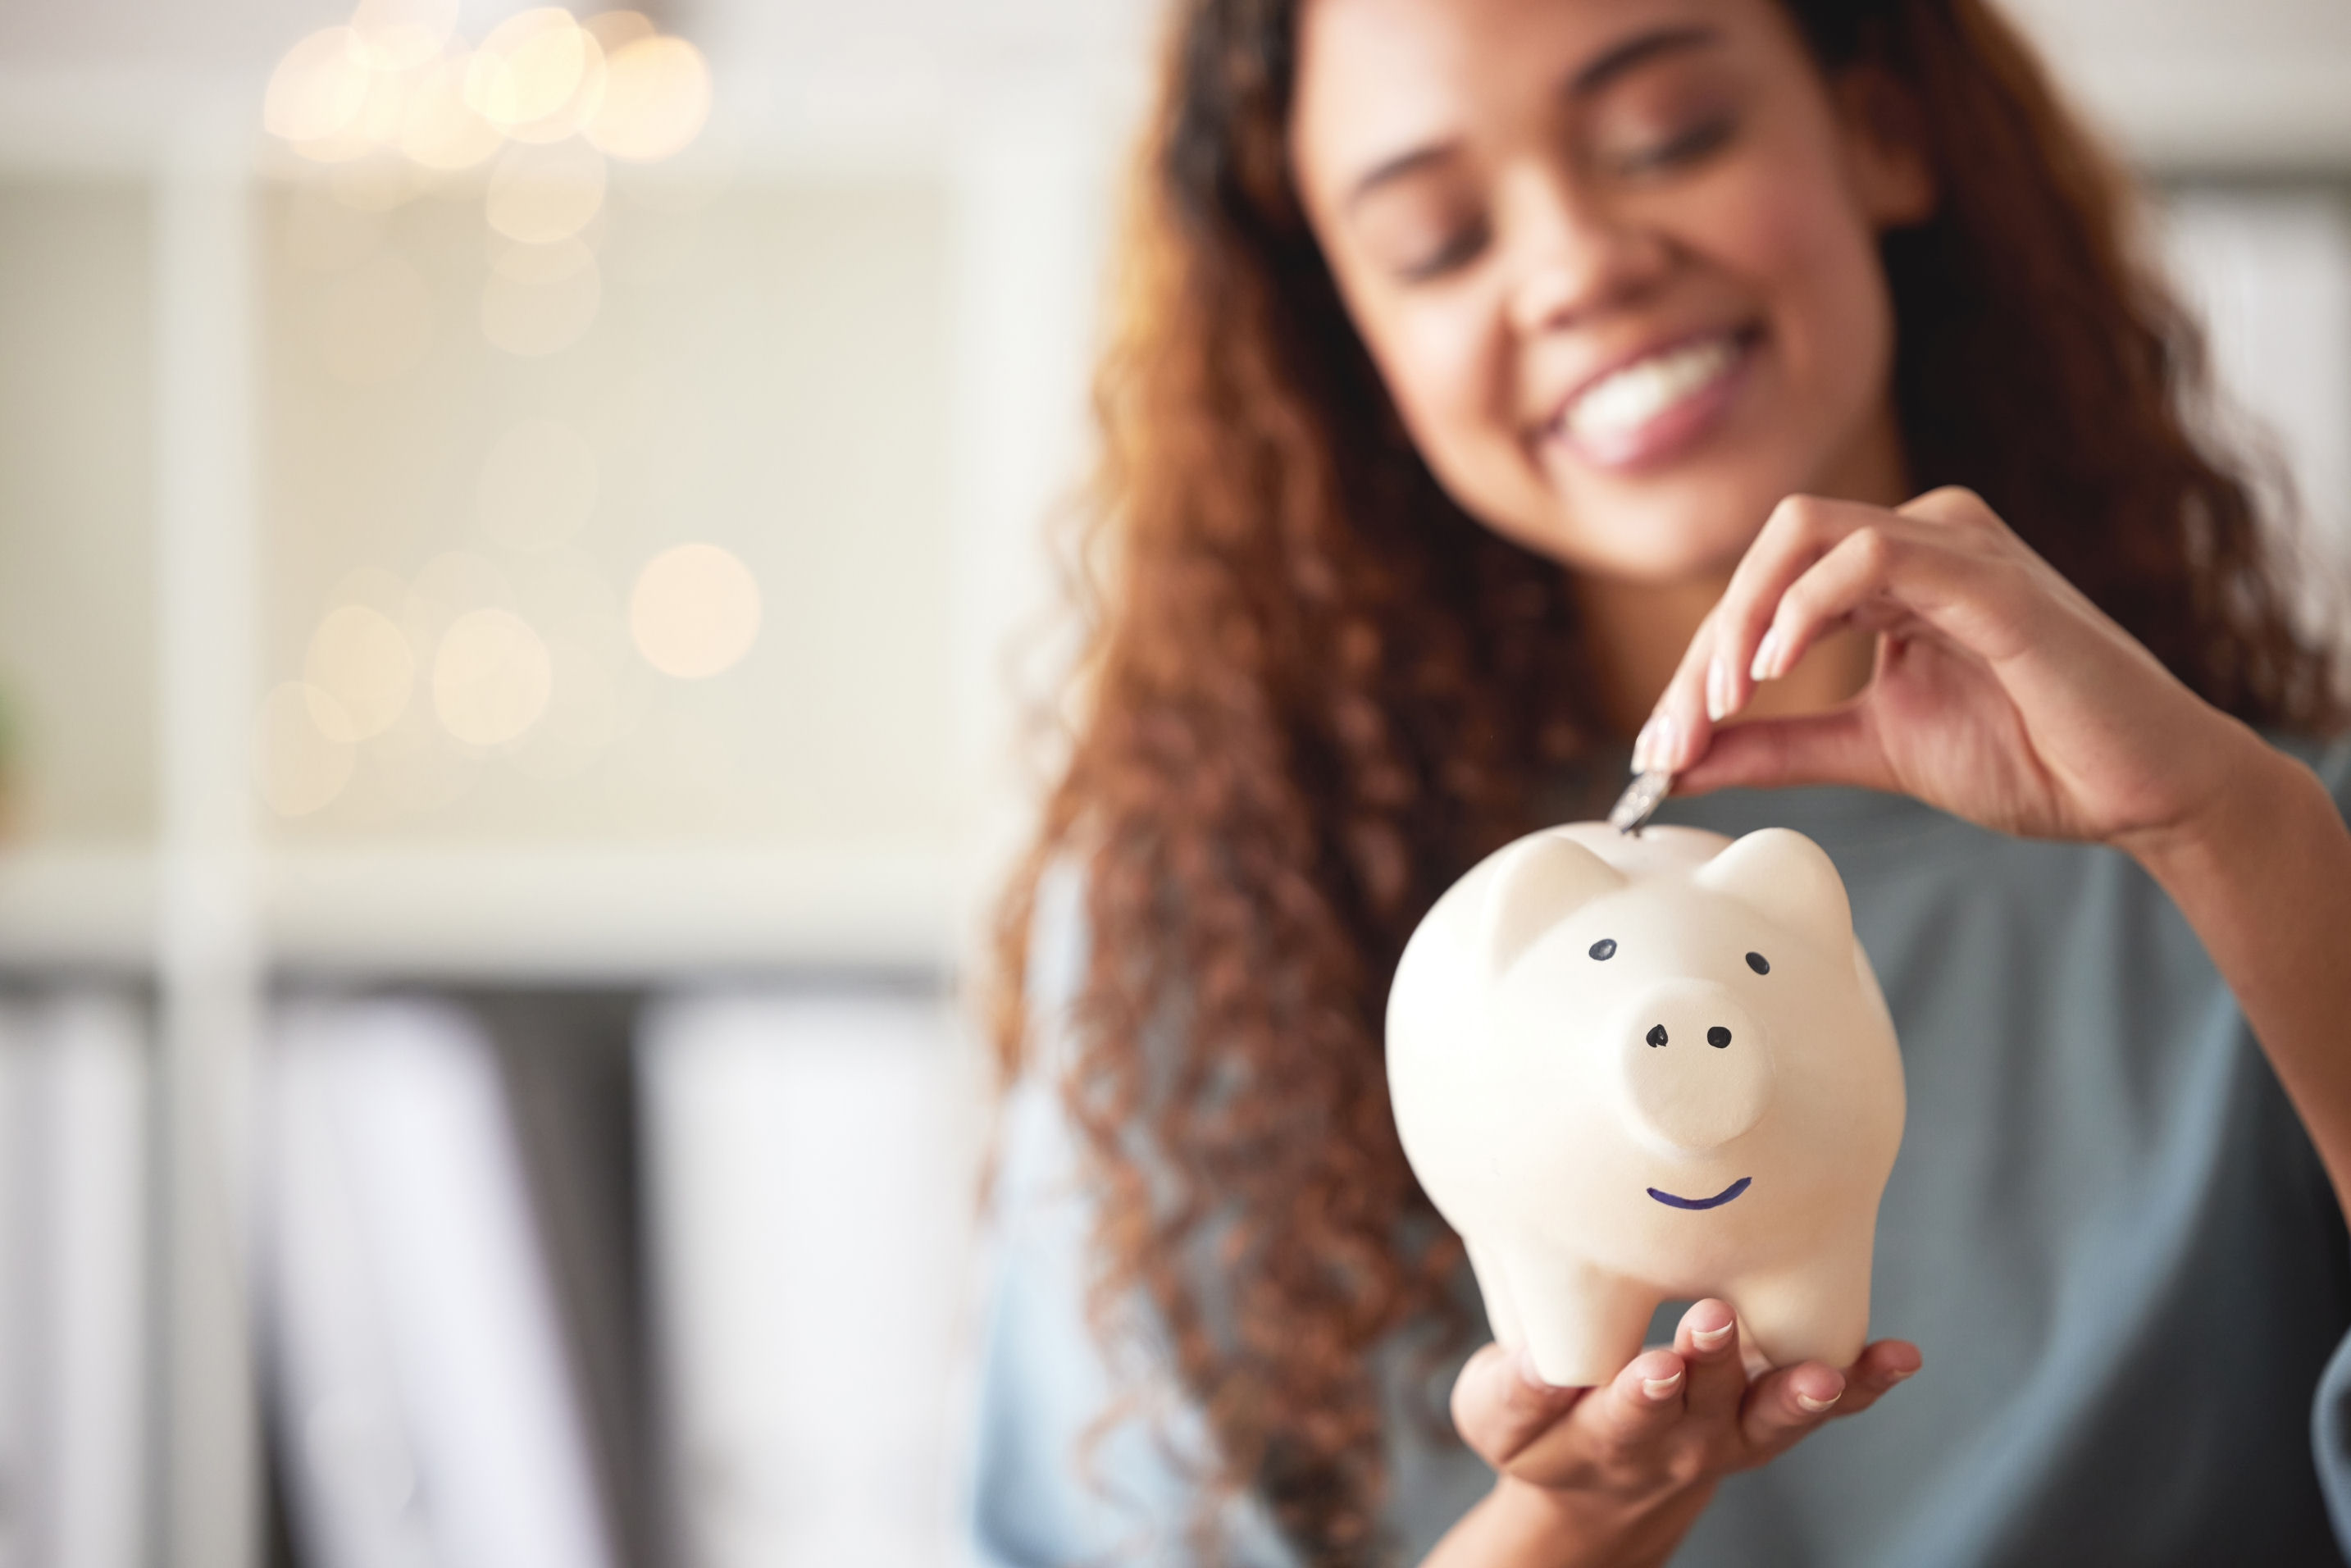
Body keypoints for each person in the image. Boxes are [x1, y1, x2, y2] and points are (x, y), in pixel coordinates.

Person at [966, 0, 2351, 1561]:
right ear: (1347, 333)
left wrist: (2231, 830)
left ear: (1880, 130)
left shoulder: (2285, 857)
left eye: (1668, 137)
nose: (1575, 265)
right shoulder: (1201, 948)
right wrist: (1573, 1526)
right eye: (1435, 239)